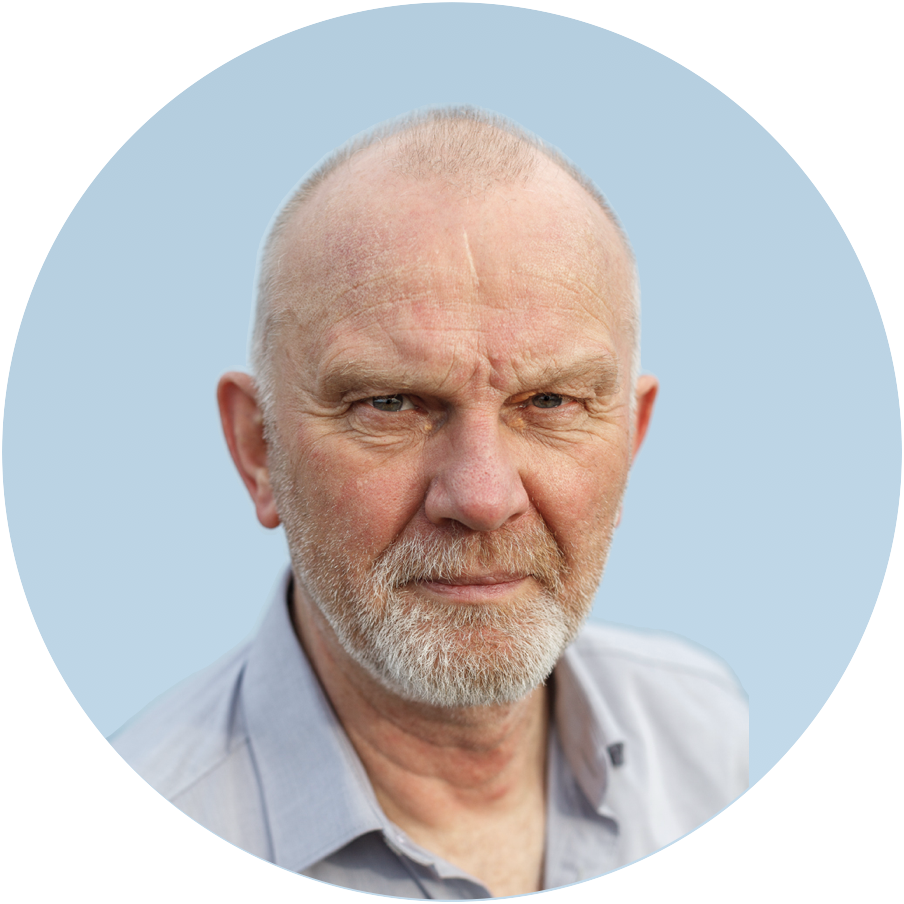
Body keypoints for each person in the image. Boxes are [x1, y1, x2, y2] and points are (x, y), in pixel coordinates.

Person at [111, 106, 748, 897]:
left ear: (630, 437)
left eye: (550, 401)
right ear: (257, 449)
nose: (481, 498)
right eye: (390, 404)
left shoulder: (700, 731)